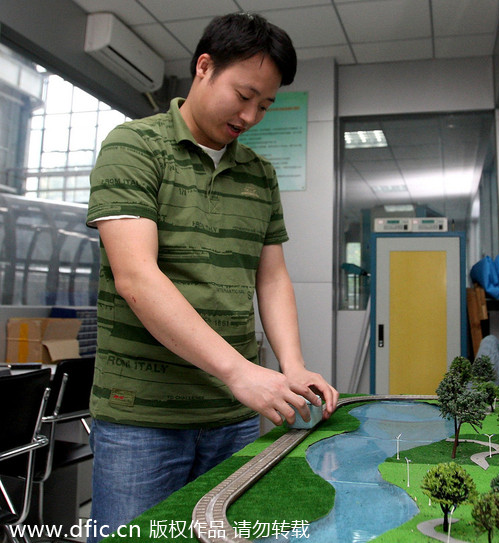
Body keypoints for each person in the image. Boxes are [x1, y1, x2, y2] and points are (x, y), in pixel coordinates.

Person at [85, 12, 338, 541]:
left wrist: (291, 366)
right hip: (143, 419)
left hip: (233, 417)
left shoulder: (260, 174)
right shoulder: (133, 146)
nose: (250, 116)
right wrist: (239, 372)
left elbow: (270, 279)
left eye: (265, 105)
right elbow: (136, 278)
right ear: (204, 67)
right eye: (243, 95)